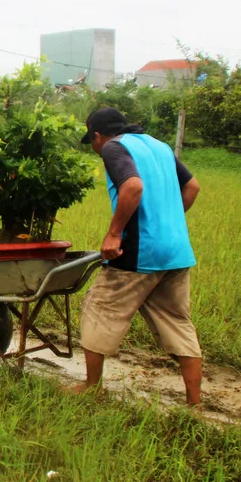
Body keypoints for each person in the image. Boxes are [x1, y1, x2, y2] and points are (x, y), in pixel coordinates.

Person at [74, 107, 203, 405]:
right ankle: (195, 403)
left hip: (138, 253)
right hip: (177, 252)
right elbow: (192, 187)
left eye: (92, 142)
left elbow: (132, 186)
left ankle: (92, 386)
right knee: (178, 321)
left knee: (99, 309)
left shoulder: (113, 148)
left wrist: (115, 233)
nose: (95, 148)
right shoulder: (159, 145)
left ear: (97, 135)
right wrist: (164, 221)